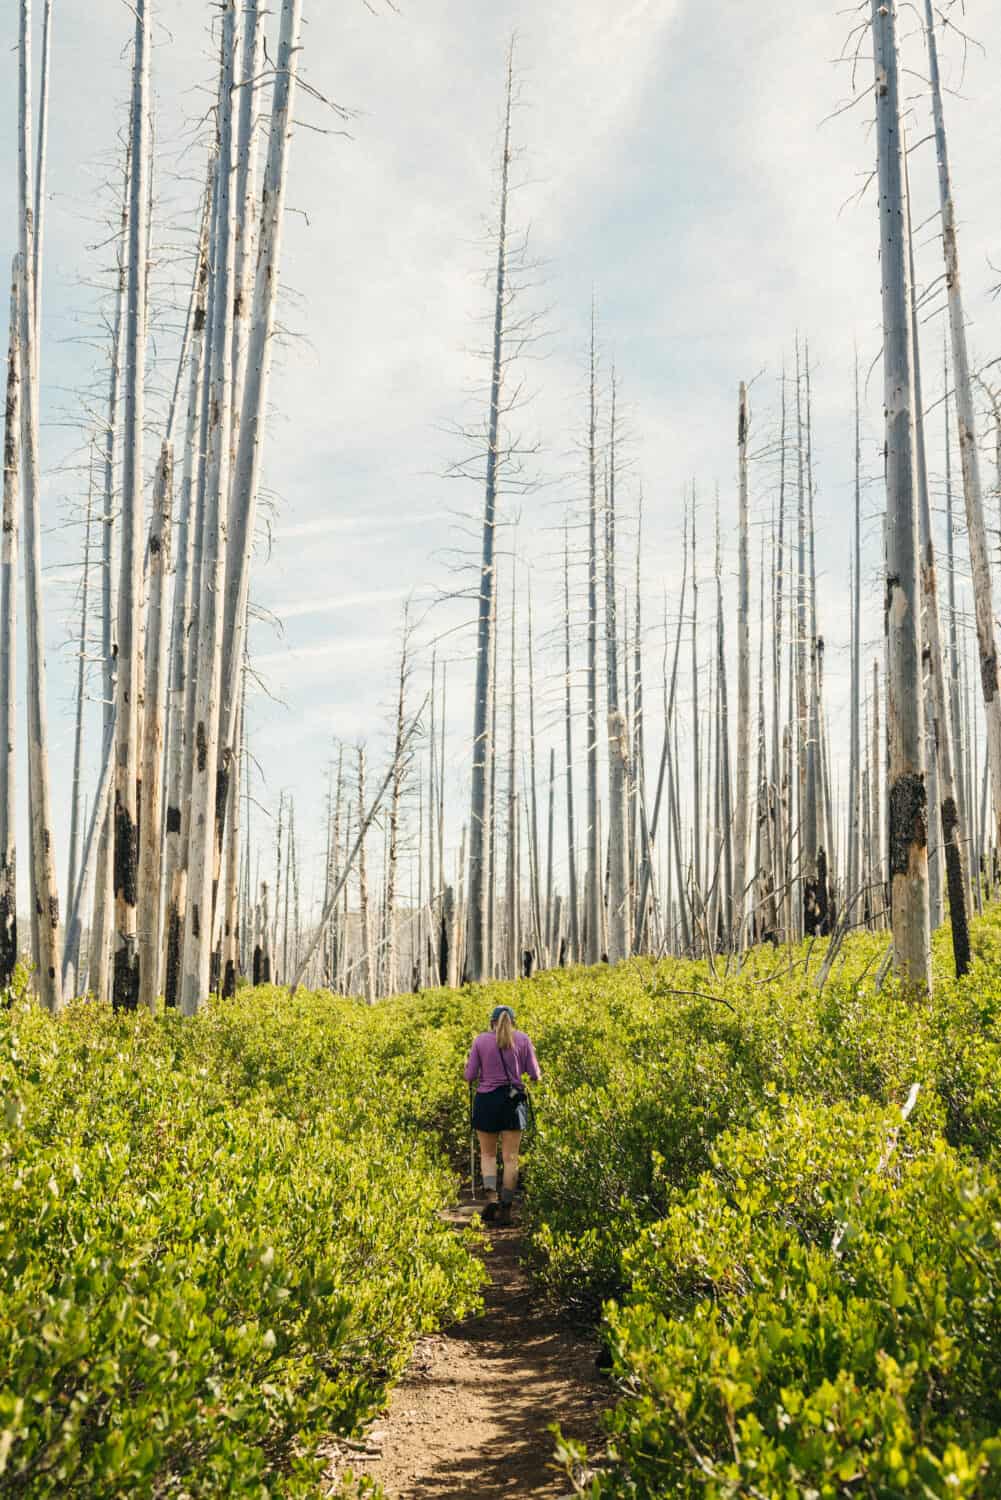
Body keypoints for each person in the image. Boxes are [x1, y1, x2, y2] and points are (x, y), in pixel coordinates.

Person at [463, 1004, 541, 1224]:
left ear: (491, 1022)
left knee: (488, 1155)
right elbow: (536, 1075)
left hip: (486, 1102)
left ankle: (491, 1197)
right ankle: (506, 1208)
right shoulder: (524, 1040)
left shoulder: (480, 1041)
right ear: (513, 1022)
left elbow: (470, 1075)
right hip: (512, 1104)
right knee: (510, 1159)